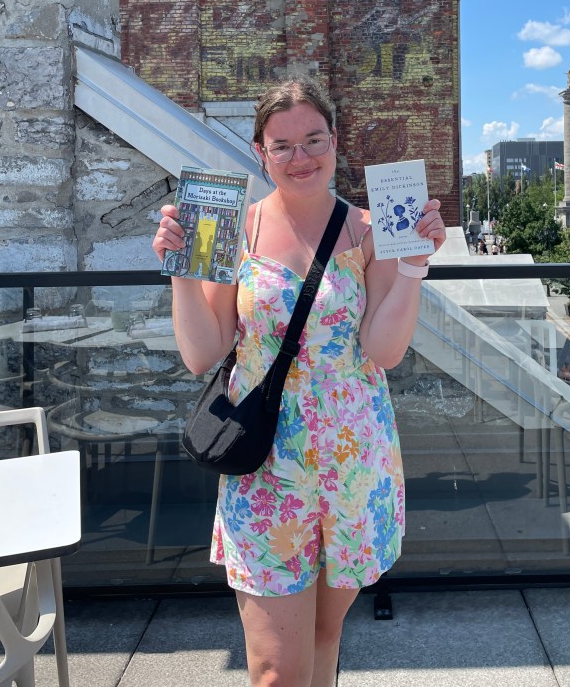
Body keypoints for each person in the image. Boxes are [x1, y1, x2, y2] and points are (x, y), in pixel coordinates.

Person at [152, 78, 446, 687]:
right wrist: (180, 271)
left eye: (313, 139)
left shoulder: (371, 230)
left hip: (353, 464)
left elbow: (384, 350)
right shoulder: (233, 227)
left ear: (335, 142)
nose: (300, 157)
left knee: (323, 639)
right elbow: (202, 352)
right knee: (276, 672)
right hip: (264, 463)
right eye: (282, 145)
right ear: (260, 152)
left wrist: (414, 265)